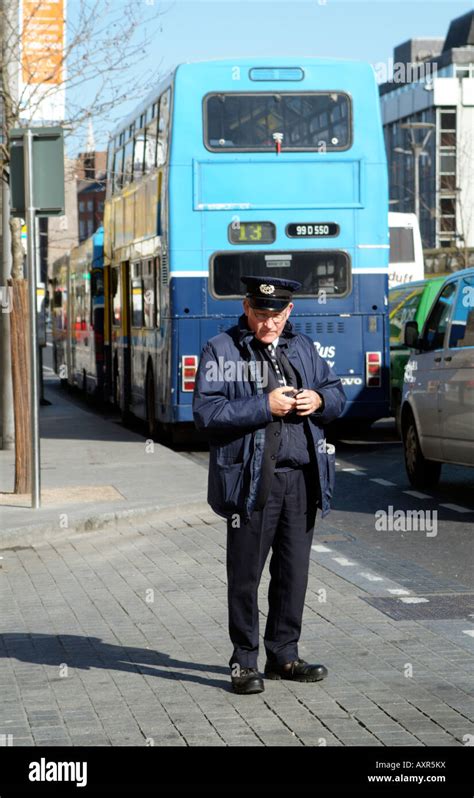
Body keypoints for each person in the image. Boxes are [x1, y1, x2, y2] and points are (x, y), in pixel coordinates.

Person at [192, 275, 346, 694]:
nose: (269, 324)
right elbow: (206, 412)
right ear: (246, 308)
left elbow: (335, 394)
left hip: (301, 479)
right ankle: (244, 661)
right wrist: (264, 405)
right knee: (245, 575)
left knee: (293, 574)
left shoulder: (303, 348)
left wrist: (319, 400)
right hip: (250, 481)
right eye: (260, 315)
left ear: (288, 312)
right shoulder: (222, 349)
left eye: (276, 316)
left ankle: (284, 655)